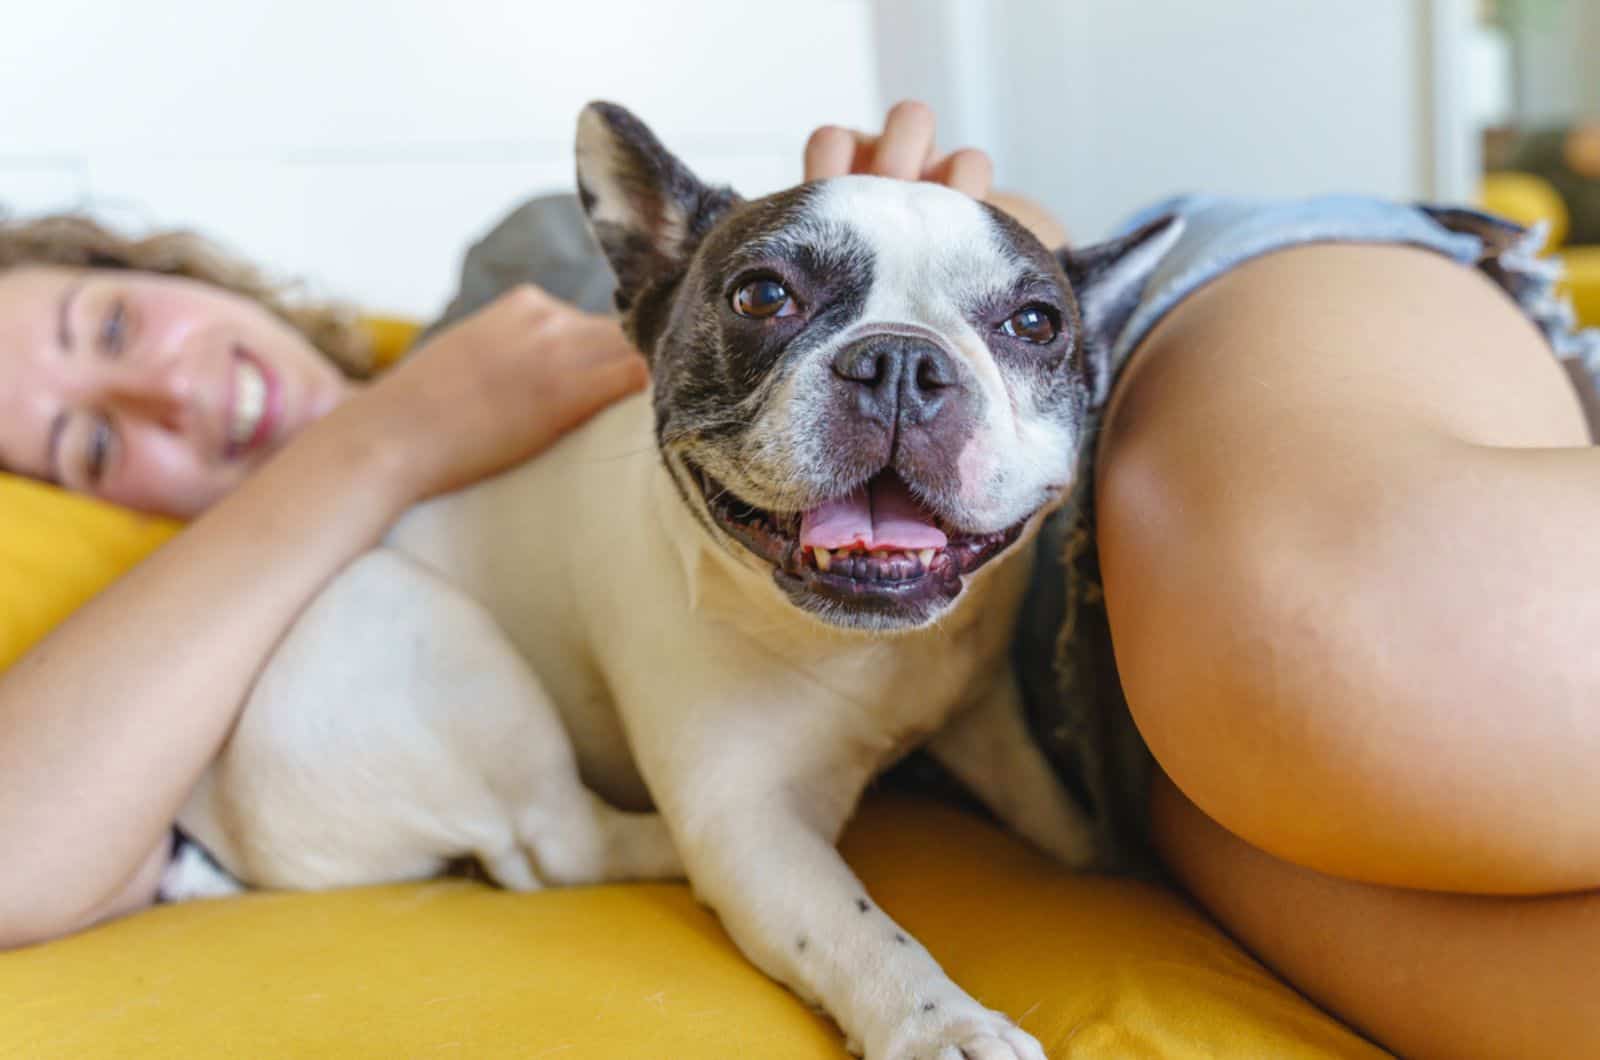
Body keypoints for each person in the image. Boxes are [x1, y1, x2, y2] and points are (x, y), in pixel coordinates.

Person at [1, 99, 1592, 1059]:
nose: (165, 401)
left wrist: (988, 267)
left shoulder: (516, 278)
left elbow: (957, 268)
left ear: (180, 273)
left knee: (1370, 648)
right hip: (1136, 746)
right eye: (79, 448)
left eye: (113, 332)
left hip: (1166, 366)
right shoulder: (292, 579)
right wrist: (379, 445)